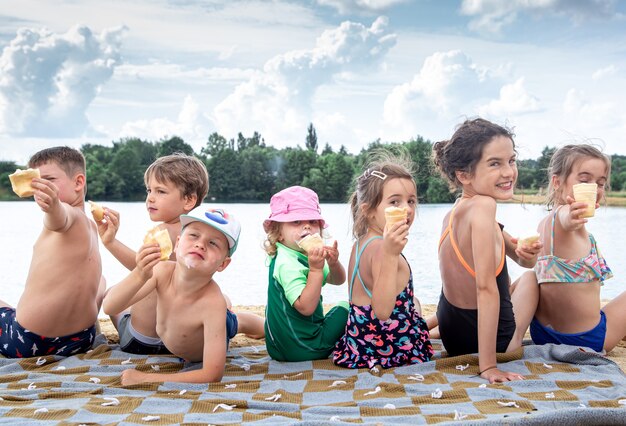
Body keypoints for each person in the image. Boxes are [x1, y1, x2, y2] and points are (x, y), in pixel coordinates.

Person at [98, 153, 263, 354]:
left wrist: (111, 243)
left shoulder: (164, 233)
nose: (150, 197)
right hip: (185, 340)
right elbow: (145, 268)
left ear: (189, 200)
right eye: (149, 190)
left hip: (142, 341)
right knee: (225, 303)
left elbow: (143, 270)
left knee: (113, 295)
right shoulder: (195, 236)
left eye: (160, 191)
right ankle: (259, 326)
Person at [432, 118, 542, 383]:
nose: (508, 172)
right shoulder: (483, 207)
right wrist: (489, 366)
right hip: (492, 344)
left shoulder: (454, 213)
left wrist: (528, 253)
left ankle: (431, 330)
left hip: (452, 334)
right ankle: (494, 352)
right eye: (495, 163)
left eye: (511, 161)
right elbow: (484, 288)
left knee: (522, 276)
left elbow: (521, 259)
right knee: (531, 281)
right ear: (464, 174)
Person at [103, 207, 242, 383]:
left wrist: (146, 378)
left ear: (223, 264)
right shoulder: (162, 271)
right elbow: (110, 306)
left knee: (235, 322)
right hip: (176, 335)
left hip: (208, 335)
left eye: (213, 243)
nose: (200, 244)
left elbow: (212, 374)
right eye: (193, 235)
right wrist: (139, 274)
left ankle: (255, 323)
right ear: (177, 244)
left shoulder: (213, 304)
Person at [0, 147, 105, 358]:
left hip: (30, 340)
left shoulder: (67, 215)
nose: (39, 187)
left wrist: (52, 206)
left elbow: (59, 218)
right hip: (80, 340)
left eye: (48, 179)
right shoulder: (91, 226)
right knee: (100, 280)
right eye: (35, 180)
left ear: (78, 182)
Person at [333, 153, 434, 369]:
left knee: (415, 304)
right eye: (394, 201)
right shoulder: (382, 248)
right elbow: (382, 311)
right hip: (388, 349)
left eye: (411, 201)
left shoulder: (362, 242)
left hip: (358, 345)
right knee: (416, 306)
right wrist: (390, 254)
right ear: (368, 211)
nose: (406, 209)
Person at [525, 144, 626, 353]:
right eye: (584, 180)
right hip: (586, 339)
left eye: (600, 183)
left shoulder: (544, 223)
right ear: (557, 182)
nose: (594, 188)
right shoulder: (565, 218)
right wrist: (571, 217)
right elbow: (565, 218)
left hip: (543, 334)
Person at [263, 186, 348, 361]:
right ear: (278, 233)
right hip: (306, 347)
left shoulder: (298, 254)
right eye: (296, 222)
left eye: (313, 221)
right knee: (348, 307)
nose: (307, 226)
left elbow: (338, 280)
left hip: (277, 347)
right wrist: (316, 270)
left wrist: (333, 264)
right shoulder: (287, 264)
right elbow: (306, 308)